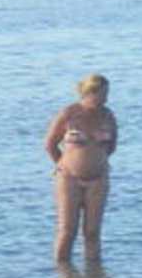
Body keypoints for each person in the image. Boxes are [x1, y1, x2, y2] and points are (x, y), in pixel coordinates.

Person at [44, 73, 117, 265]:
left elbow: (112, 146)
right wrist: (65, 165)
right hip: (69, 179)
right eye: (102, 94)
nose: (106, 98)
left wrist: (96, 161)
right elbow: (50, 144)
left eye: (107, 93)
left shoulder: (108, 116)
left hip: (98, 179)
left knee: (92, 232)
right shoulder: (69, 114)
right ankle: (63, 275)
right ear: (88, 93)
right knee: (67, 230)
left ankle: (95, 276)